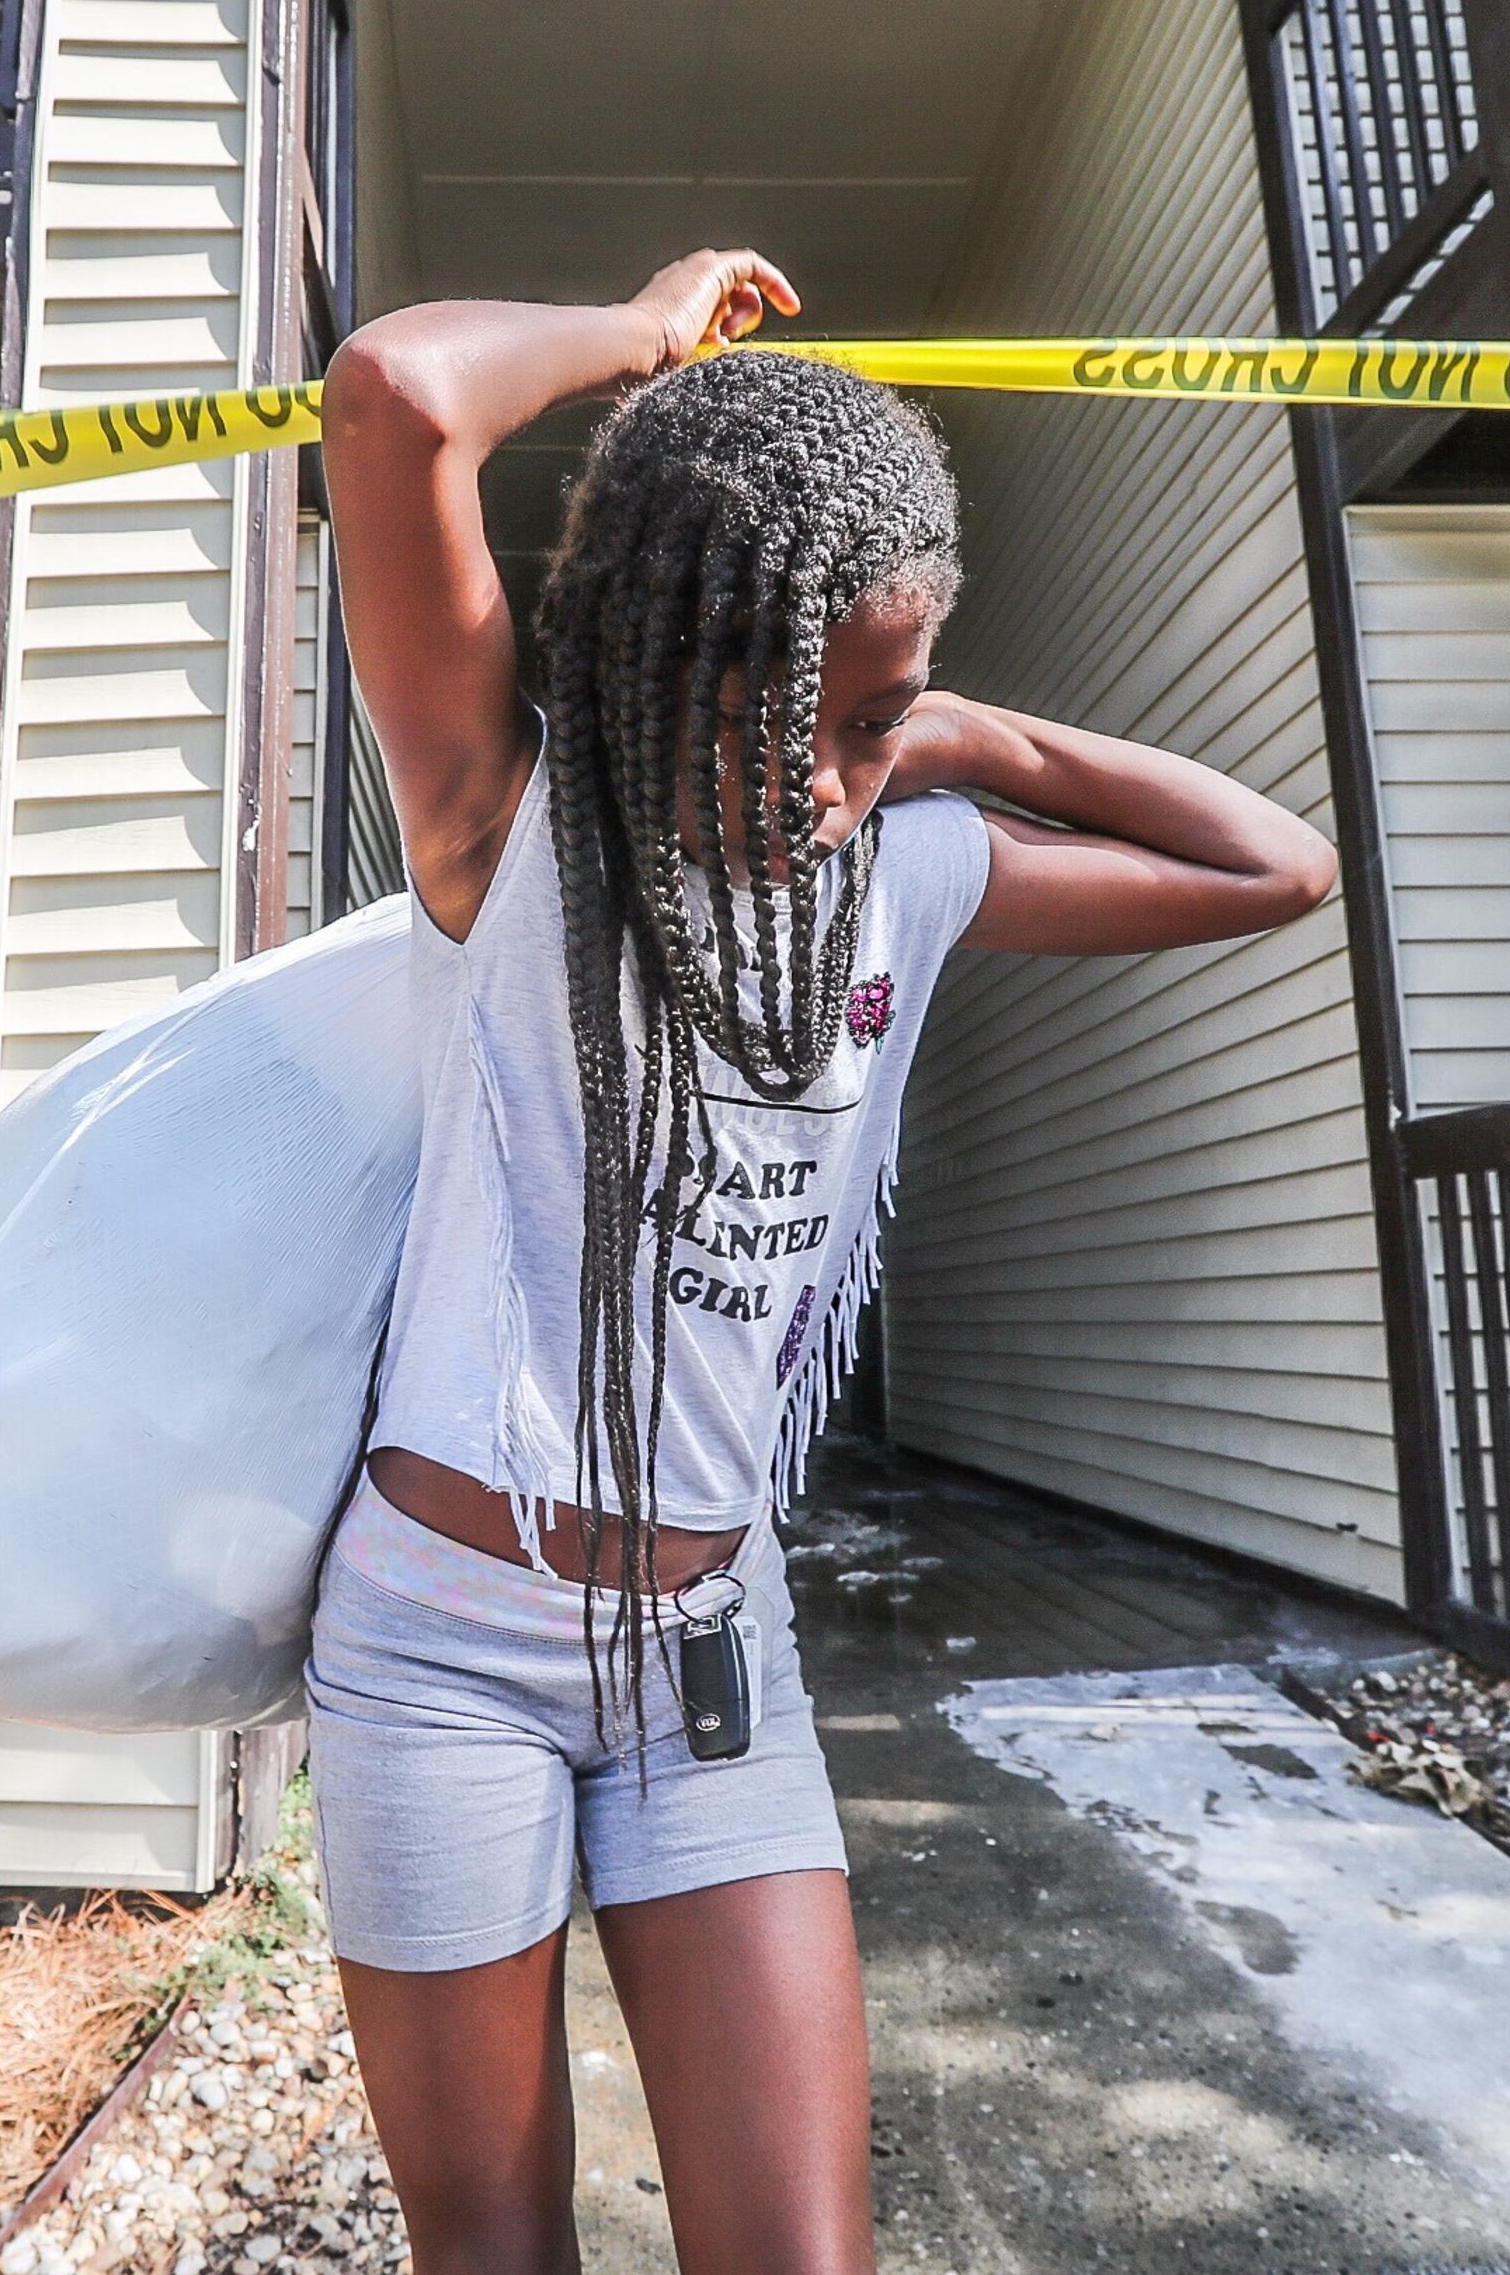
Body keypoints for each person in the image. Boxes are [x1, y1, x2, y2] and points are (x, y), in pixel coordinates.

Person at [311, 248, 1338, 2275]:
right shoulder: (508, 817)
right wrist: (639, 335)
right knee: (494, 2252)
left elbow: (1274, 866)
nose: (822, 785)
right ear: (643, 661)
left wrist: (966, 736)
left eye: (867, 727)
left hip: (714, 1648)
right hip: (444, 1647)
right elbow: (397, 398)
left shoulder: (910, 868)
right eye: (778, 716)